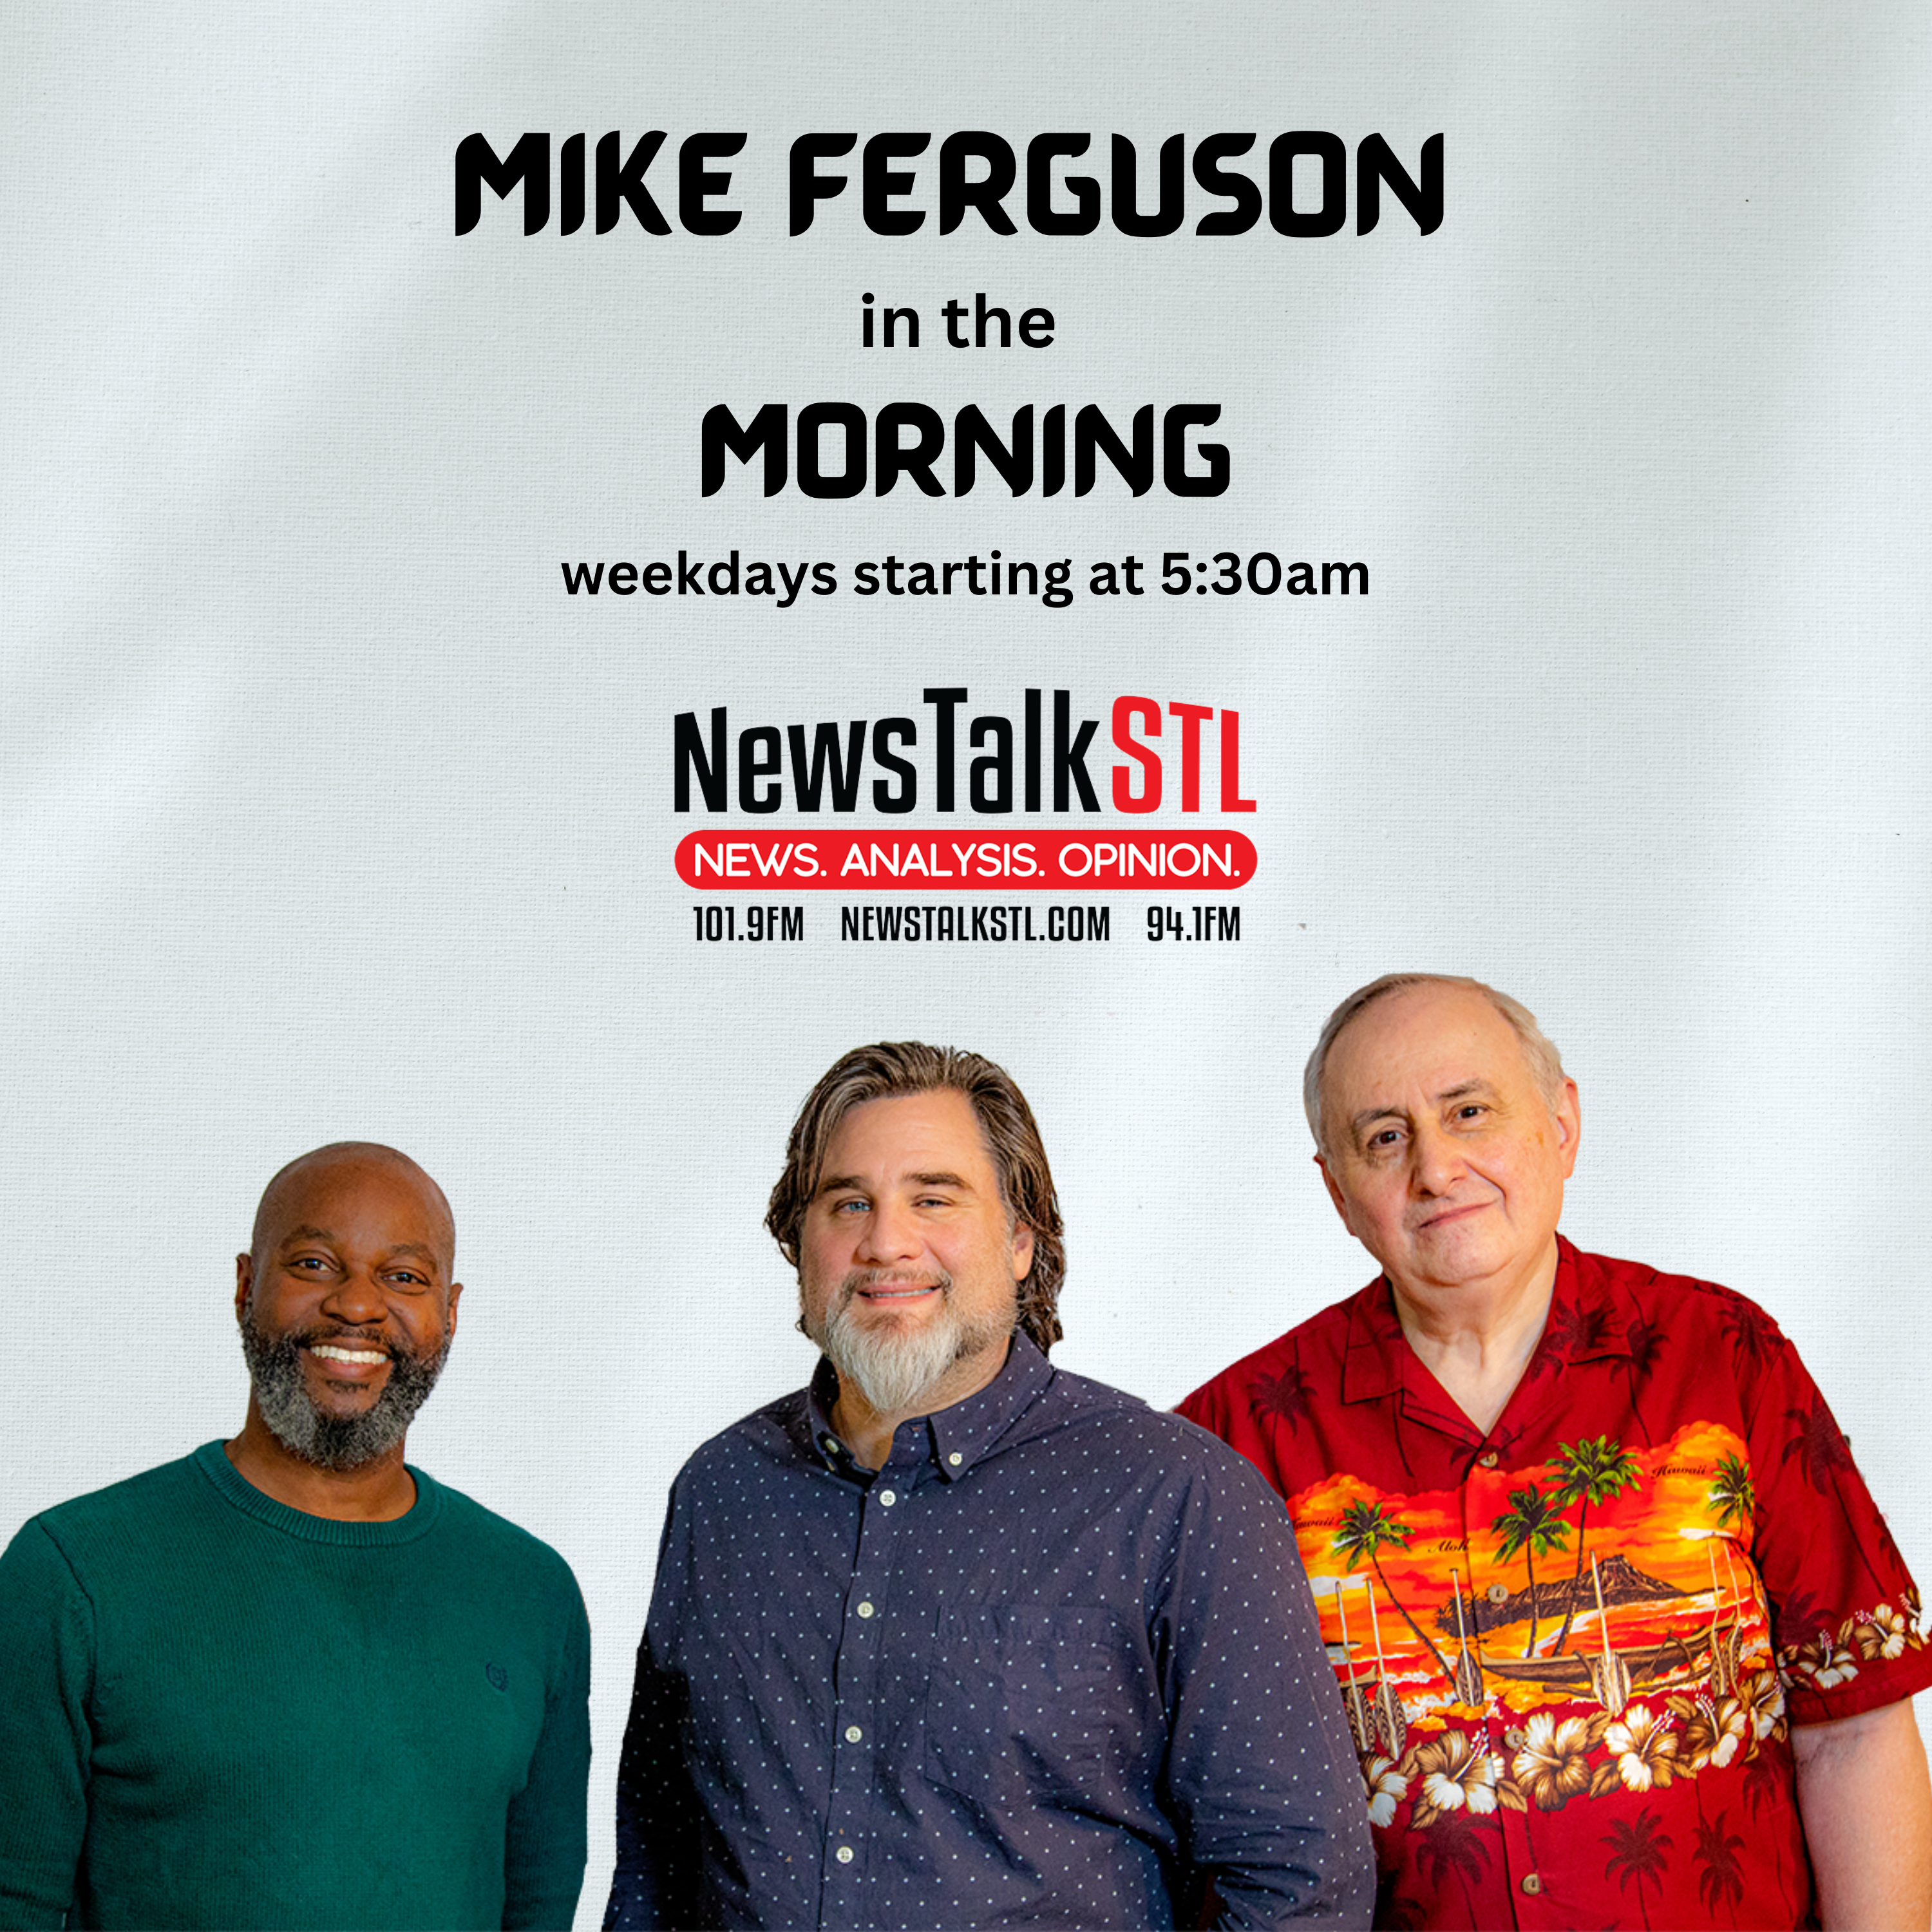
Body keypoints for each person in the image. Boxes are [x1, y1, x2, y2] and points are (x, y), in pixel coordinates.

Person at [1178, 974, 1932, 1931]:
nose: (1436, 1168)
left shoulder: (1725, 1357)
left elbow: (1855, 1727)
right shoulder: (1229, 1443)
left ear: (1563, 1123)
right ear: (1336, 1189)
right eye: (1385, 1137)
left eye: (1469, 1112)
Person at [605, 1041, 1374, 1931]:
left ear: (1021, 1241)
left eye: (934, 1198)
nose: (886, 1242)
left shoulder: (1179, 1496)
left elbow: (1298, 1883)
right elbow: (658, 1865)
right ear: (799, 1244)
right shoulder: (723, 1493)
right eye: (847, 1202)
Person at [0, 1141, 591, 1931]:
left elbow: (539, 1907)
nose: (356, 1306)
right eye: (314, 1264)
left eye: (403, 1277)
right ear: (247, 1286)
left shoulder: (531, 1594)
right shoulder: (72, 1574)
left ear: (449, 1315)